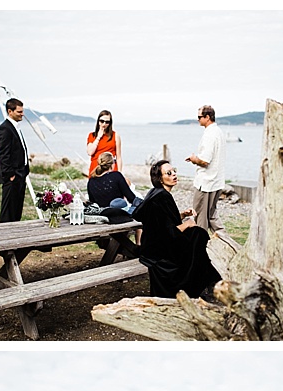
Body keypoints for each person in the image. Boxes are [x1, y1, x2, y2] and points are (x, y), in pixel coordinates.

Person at [133, 160, 221, 299]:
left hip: (152, 246)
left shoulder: (157, 193)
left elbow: (164, 220)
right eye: (169, 173)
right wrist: (187, 223)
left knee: (197, 236)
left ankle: (209, 281)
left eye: (174, 171)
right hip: (158, 250)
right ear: (160, 178)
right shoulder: (161, 197)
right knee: (198, 235)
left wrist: (183, 215)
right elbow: (166, 233)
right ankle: (205, 283)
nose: (174, 174)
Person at [185, 105, 226, 234]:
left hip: (206, 183)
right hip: (216, 181)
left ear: (207, 117)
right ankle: (226, 241)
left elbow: (204, 161)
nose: (197, 120)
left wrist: (193, 159)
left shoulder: (210, 134)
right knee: (212, 216)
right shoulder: (218, 131)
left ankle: (201, 248)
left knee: (200, 218)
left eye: (199, 117)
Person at [0, 98, 29, 222]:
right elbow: (3, 154)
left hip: (21, 174)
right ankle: (6, 236)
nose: (22, 114)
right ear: (10, 111)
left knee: (16, 209)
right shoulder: (5, 129)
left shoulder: (15, 127)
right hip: (13, 176)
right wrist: (10, 175)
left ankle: (15, 235)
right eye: (19, 112)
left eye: (22, 111)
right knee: (8, 211)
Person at [86, 110, 122, 178]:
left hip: (110, 168)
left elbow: (119, 157)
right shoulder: (92, 135)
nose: (104, 124)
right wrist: (98, 137)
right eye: (102, 121)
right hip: (96, 168)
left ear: (110, 123)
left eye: (107, 122)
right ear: (98, 121)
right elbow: (90, 152)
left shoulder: (115, 136)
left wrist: (119, 173)